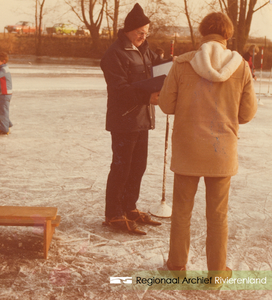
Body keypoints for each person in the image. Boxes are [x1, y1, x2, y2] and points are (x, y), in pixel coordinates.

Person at [158, 12, 257, 276]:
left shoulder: (181, 64)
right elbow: (247, 114)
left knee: (181, 212)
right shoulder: (241, 66)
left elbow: (166, 105)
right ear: (228, 34)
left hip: (188, 149)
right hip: (221, 152)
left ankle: (177, 264)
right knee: (218, 215)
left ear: (203, 32)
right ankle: (215, 272)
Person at [100, 3, 162, 235]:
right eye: (140, 32)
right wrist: (148, 96)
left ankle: (129, 207)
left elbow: (159, 68)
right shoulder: (114, 54)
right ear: (128, 29)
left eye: (146, 32)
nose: (143, 36)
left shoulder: (146, 50)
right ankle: (114, 213)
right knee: (121, 167)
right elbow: (119, 89)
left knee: (138, 166)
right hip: (124, 120)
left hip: (143, 119)